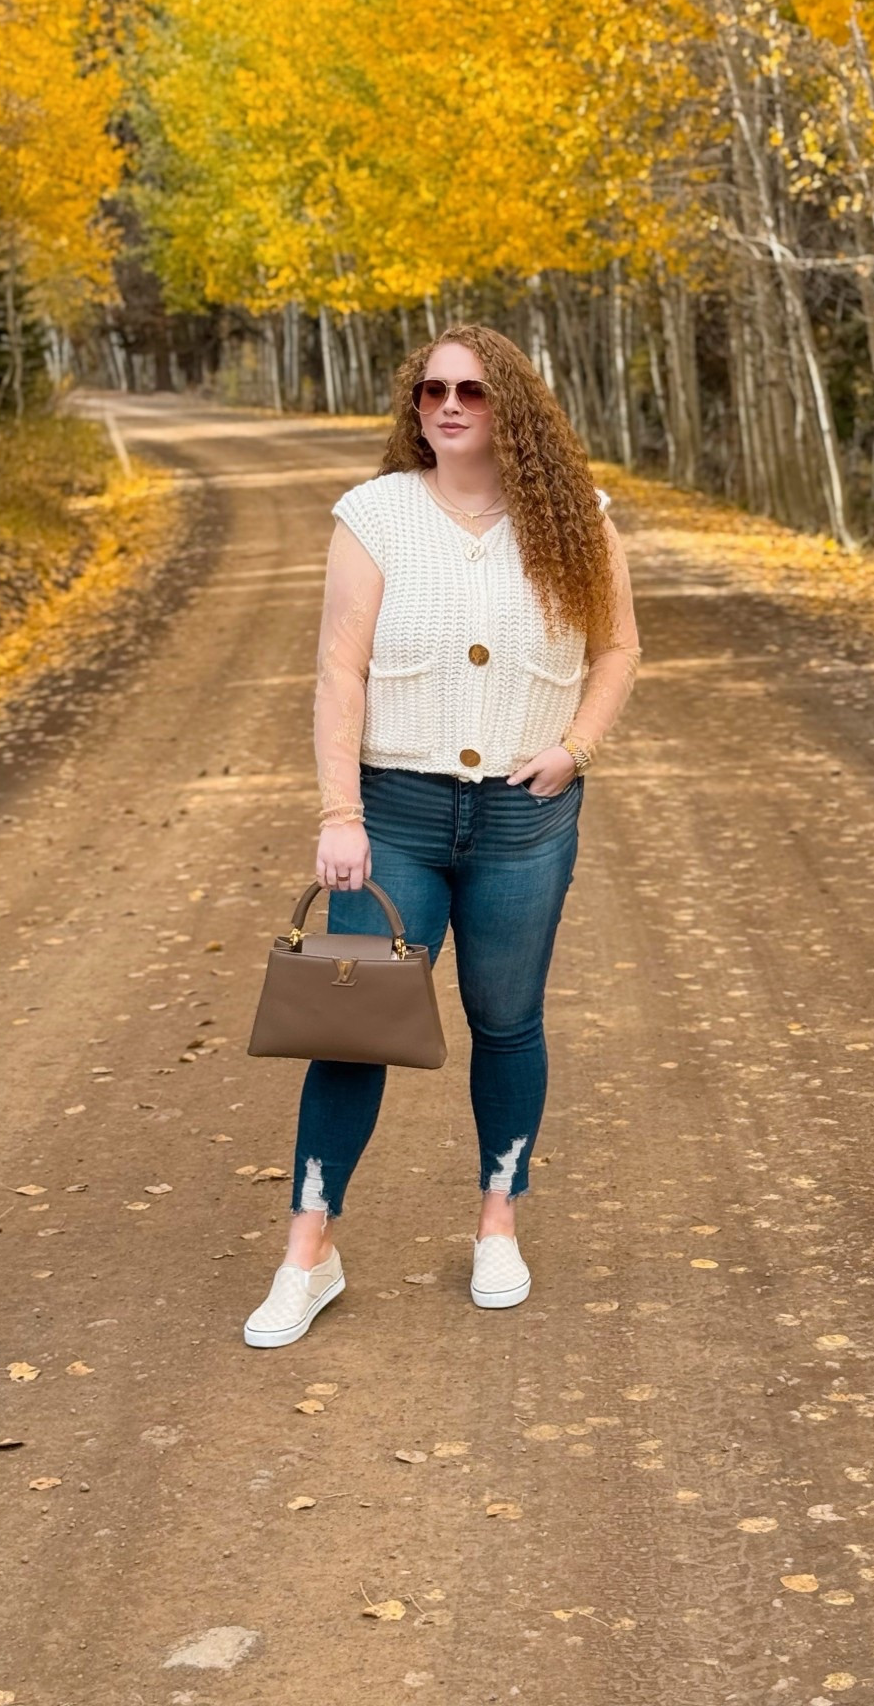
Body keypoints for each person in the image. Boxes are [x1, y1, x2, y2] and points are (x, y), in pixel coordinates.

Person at [243, 323, 642, 1348]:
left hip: (525, 816)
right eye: (430, 392)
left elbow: (618, 648)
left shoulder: (576, 520)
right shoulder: (374, 516)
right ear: (411, 407)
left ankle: (497, 1222)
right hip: (398, 818)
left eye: (470, 389)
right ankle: (307, 1254)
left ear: (512, 402)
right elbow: (340, 671)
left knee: (507, 1021)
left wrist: (575, 749)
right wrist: (341, 814)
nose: (449, 405)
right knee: (351, 1029)